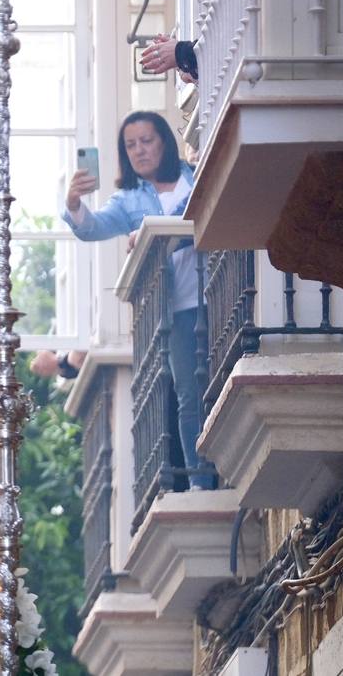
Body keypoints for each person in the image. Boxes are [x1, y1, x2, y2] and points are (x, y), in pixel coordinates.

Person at [62, 110, 214, 490]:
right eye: (131, 145)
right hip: (173, 307)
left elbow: (202, 210)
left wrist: (156, 234)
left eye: (146, 141)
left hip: (215, 290)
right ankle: (201, 479)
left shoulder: (195, 176)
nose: (140, 150)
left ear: (164, 141)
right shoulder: (129, 198)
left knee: (219, 378)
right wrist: (75, 203)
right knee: (188, 394)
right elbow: (93, 228)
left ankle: (223, 471)